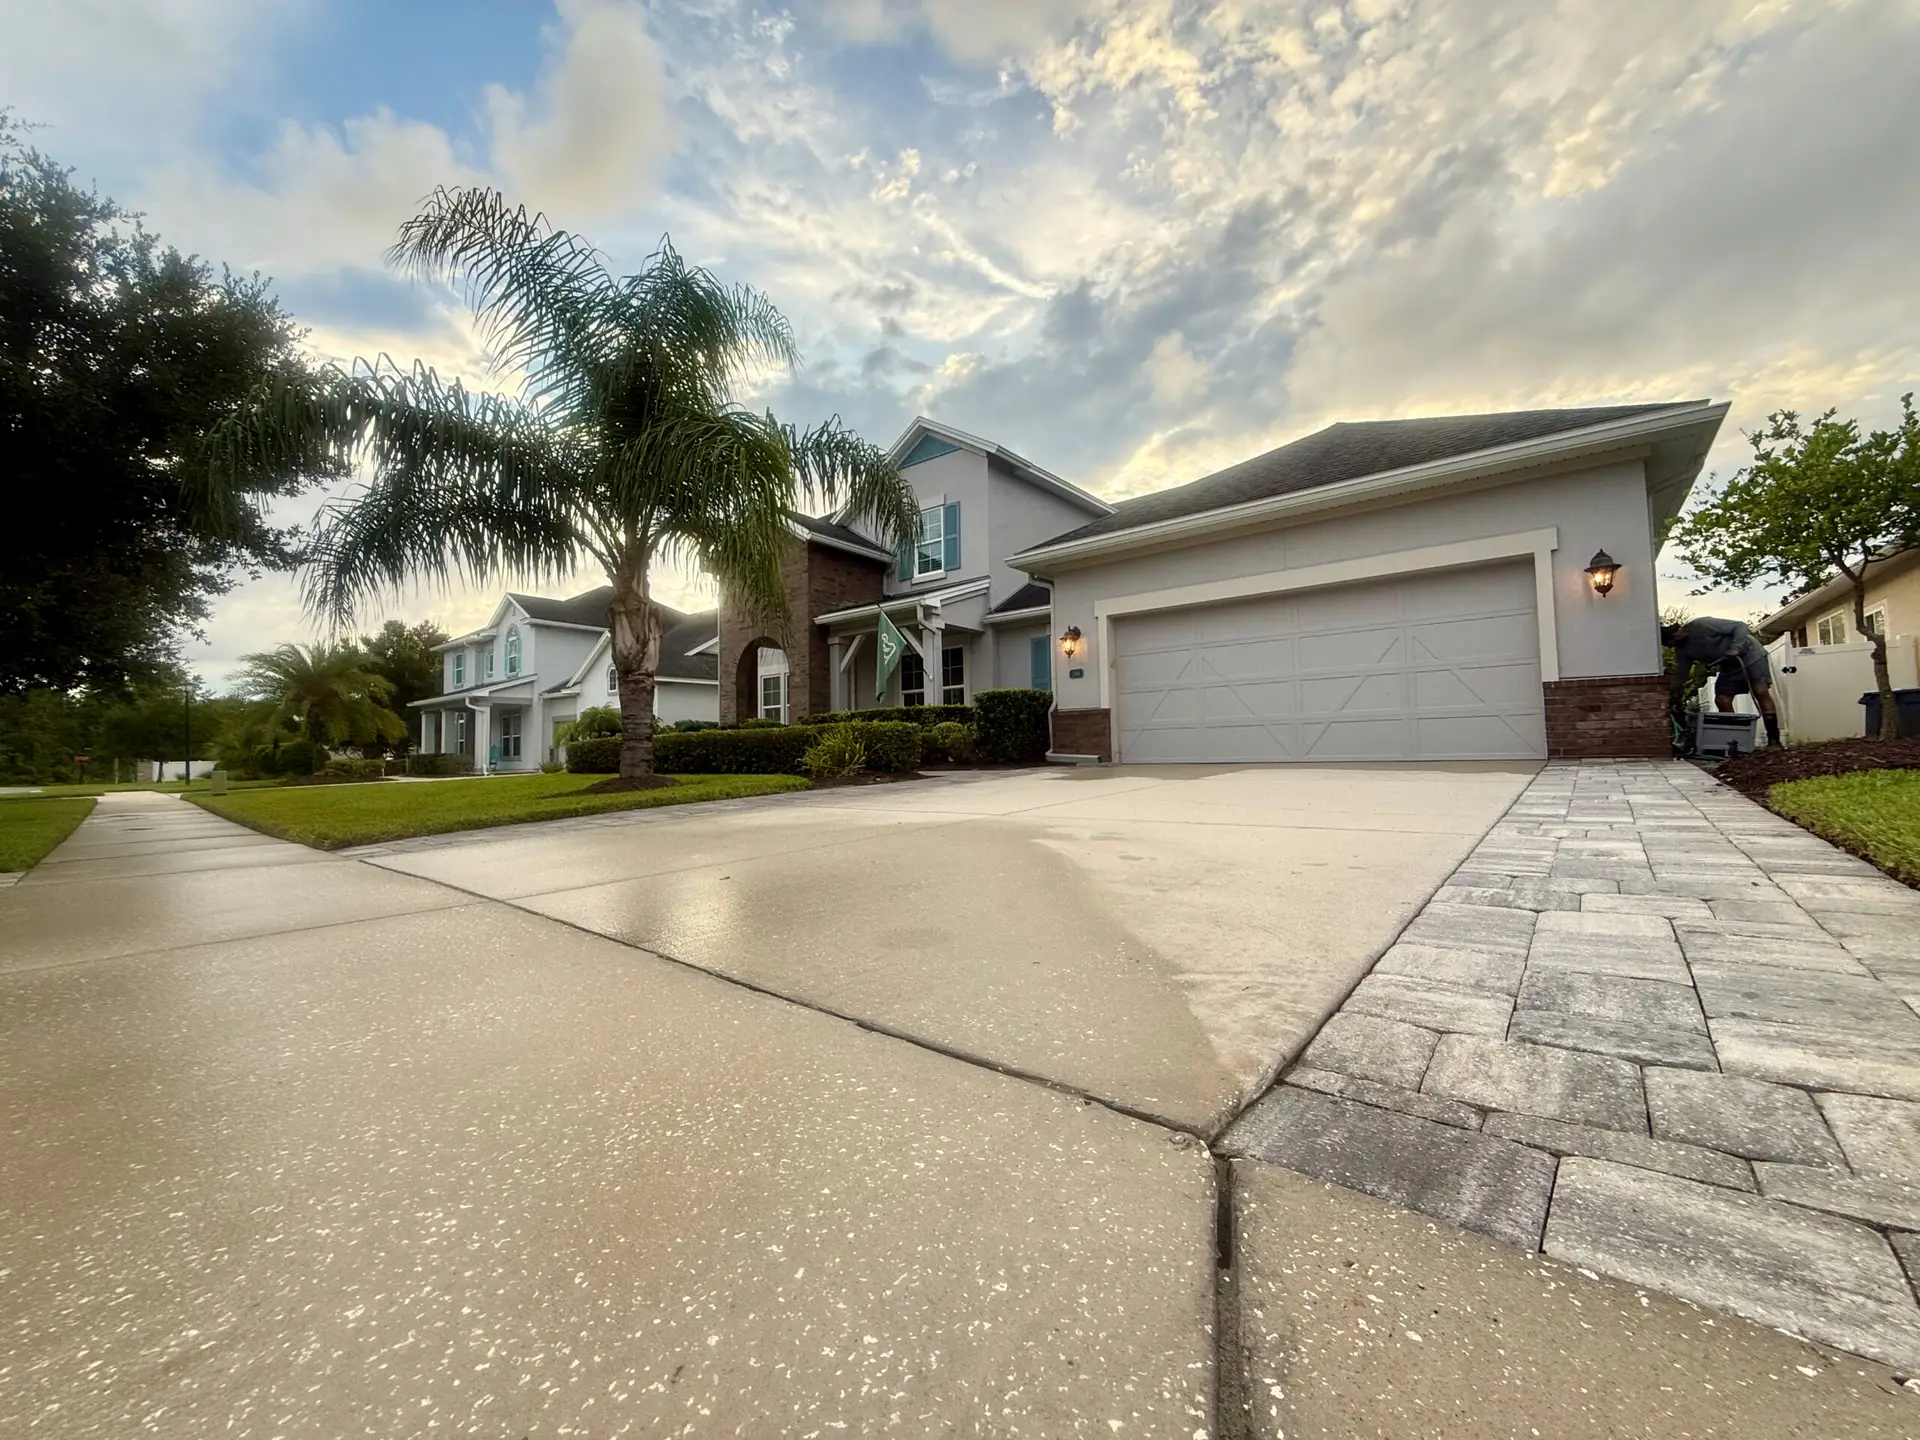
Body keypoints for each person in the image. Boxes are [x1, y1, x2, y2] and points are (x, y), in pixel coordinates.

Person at [1661, 617, 1781, 748]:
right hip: (1729, 665)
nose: (1672, 645)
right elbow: (1682, 675)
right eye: (1669, 645)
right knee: (1722, 700)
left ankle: (1774, 739)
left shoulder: (1702, 625)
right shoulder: (1682, 650)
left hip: (1750, 654)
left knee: (1760, 691)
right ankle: (1735, 741)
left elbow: (1740, 626)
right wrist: (1672, 693)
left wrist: (1735, 647)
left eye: (1671, 642)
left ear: (1676, 633)